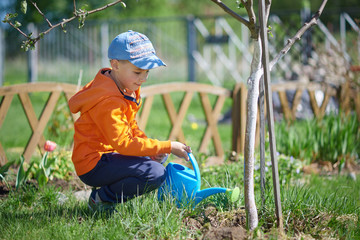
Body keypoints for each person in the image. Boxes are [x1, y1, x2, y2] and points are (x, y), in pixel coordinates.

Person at [68, 30, 191, 212]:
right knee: (154, 173)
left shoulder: (123, 88)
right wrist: (167, 146)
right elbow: (124, 144)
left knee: (152, 163)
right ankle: (101, 199)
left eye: (146, 71)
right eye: (137, 72)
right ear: (115, 64)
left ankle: (107, 194)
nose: (143, 78)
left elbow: (130, 128)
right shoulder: (108, 101)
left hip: (109, 155)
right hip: (93, 163)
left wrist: (151, 151)